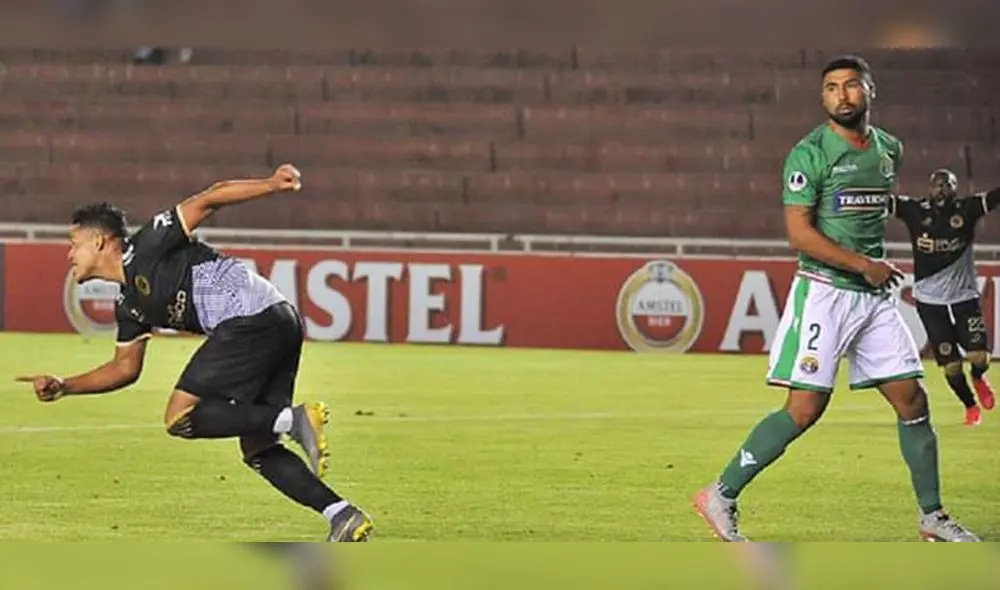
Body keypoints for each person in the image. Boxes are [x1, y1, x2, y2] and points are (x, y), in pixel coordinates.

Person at [692, 55, 981, 542]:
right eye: (831, 88)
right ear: (822, 97)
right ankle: (719, 494)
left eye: (851, 86)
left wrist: (874, 267)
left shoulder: (890, 149)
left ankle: (932, 517)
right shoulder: (809, 154)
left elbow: (867, 214)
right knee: (804, 409)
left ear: (870, 91)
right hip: (824, 294)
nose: (841, 95)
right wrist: (863, 265)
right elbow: (799, 235)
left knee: (912, 398)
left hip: (873, 299)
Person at [15, 164, 374, 542]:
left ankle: (292, 420)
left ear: (101, 242)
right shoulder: (129, 304)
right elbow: (125, 369)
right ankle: (342, 514)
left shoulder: (150, 243)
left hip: (250, 318)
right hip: (277, 321)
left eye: (74, 243)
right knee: (258, 447)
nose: (69, 254)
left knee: (179, 416)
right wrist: (65, 385)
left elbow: (210, 198)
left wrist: (271, 185)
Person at [890, 169, 998, 426]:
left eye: (947, 184)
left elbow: (993, 198)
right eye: (937, 185)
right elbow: (884, 201)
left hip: (964, 295)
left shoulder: (967, 209)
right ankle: (970, 406)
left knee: (979, 356)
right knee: (950, 365)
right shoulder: (915, 210)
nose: (941, 189)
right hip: (929, 300)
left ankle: (979, 377)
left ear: (955, 188)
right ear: (929, 188)